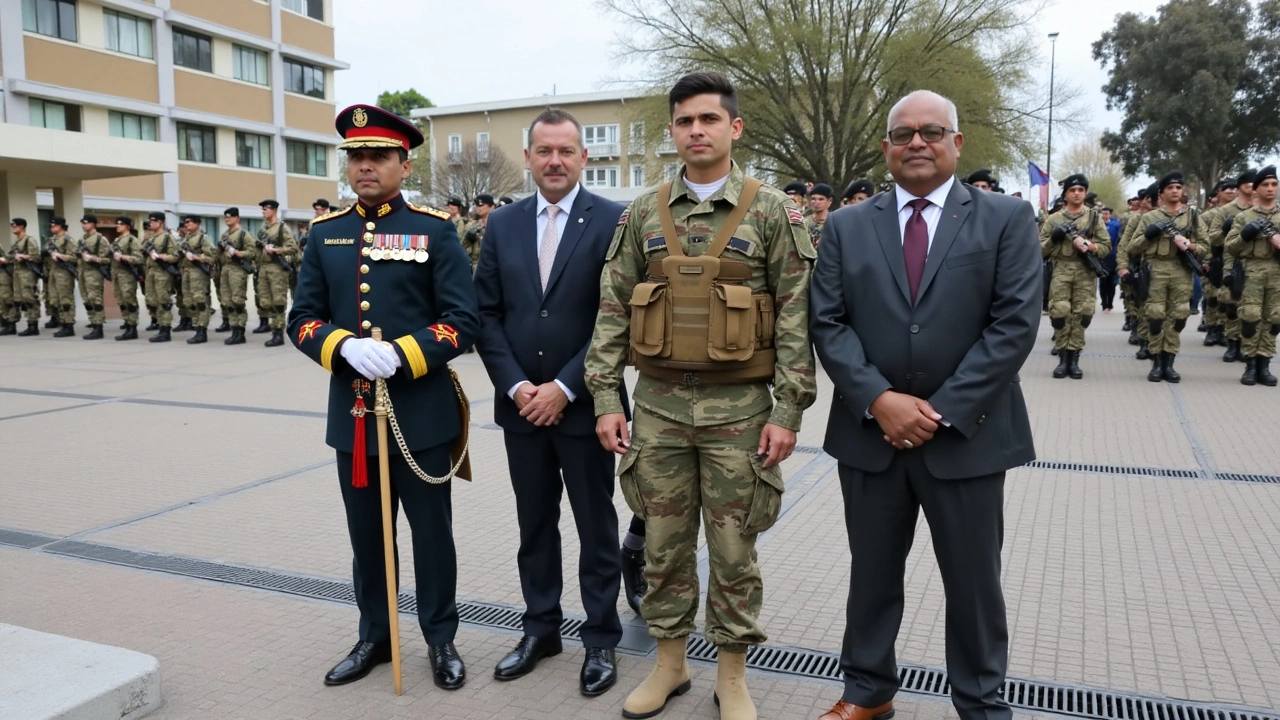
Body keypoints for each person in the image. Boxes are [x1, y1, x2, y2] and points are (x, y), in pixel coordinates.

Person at [586, 72, 816, 720]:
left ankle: (733, 674)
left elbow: (796, 317)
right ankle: (670, 665)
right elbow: (611, 312)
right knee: (661, 547)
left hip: (740, 415)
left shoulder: (773, 210)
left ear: (734, 127)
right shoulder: (642, 213)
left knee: (736, 551)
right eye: (685, 121)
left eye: (708, 119)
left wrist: (788, 411)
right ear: (673, 131)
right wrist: (607, 398)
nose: (696, 131)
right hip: (658, 409)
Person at [809, 90, 1040, 720]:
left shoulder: (1004, 219)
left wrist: (935, 412)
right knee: (872, 576)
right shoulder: (846, 226)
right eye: (903, 133)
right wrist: (880, 400)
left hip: (968, 437)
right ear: (885, 147)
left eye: (932, 131)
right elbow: (827, 324)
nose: (917, 142)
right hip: (870, 437)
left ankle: (980, 701)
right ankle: (868, 693)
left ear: (956, 144)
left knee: (973, 585)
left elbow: (1015, 325)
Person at [288, 104, 478, 692]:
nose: (365, 167)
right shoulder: (324, 234)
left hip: (419, 414)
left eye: (378, 156)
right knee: (367, 536)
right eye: (356, 157)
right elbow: (301, 320)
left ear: (404, 162)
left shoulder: (433, 229)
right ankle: (373, 634)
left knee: (431, 535)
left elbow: (461, 321)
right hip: (353, 417)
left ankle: (440, 637)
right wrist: (341, 345)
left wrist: (403, 353)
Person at [474, 107, 626, 697]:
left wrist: (564, 387)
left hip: (589, 408)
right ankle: (540, 629)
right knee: (534, 525)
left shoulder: (614, 221)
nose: (555, 161)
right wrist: (517, 387)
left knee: (596, 527)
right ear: (530, 156)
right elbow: (487, 315)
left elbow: (619, 319)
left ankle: (601, 639)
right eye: (544, 151)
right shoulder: (504, 225)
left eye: (566, 151)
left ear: (584, 157)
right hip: (520, 409)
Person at [1127, 172, 1208, 382]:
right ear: (1161, 193)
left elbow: (1206, 247)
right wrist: (1148, 234)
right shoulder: (1149, 217)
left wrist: (1189, 245)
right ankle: (1156, 361)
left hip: (1181, 270)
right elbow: (1133, 247)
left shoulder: (1192, 216)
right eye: (1170, 188)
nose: (1174, 191)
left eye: (1178, 188)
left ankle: (1169, 362)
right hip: (1155, 269)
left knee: (1178, 315)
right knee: (1155, 315)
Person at [1040, 174, 1110, 379]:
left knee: (1082, 314)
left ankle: (1074, 358)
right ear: (1066, 194)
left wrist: (1089, 245)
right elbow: (1039, 250)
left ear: (1085, 193)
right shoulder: (1054, 219)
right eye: (1073, 190)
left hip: (1085, 271)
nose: (1077, 193)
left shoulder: (1094, 218)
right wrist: (1054, 238)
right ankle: (1062, 358)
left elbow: (1106, 246)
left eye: (1081, 190)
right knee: (1060, 312)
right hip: (1061, 269)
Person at [1223, 165, 1280, 386]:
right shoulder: (1244, 217)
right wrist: (1246, 234)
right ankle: (1250, 365)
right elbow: (1230, 247)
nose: (1270, 188)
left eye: (1274, 184)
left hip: (1276, 272)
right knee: (1250, 317)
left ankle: (1264, 364)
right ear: (1255, 190)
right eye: (1265, 184)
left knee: (1274, 319)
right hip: (1251, 272)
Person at [1215, 169, 1256, 362]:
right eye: (1249, 184)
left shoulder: (1265, 209)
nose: (1253, 187)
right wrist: (1225, 229)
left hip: (1260, 264)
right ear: (1241, 187)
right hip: (1232, 261)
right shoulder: (1226, 211)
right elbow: (1212, 237)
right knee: (1232, 305)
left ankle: (1251, 348)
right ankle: (1233, 344)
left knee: (1254, 309)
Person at [257, 199, 299, 347]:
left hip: (277, 268)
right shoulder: (263, 229)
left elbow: (292, 247)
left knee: (278, 301)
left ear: (274, 210)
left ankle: (278, 333)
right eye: (262, 209)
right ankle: (273, 326)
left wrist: (276, 250)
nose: (263, 212)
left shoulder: (282, 228)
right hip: (264, 268)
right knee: (265, 302)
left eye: (266, 209)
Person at [218, 208, 256, 346]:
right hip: (226, 270)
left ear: (237, 218)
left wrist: (239, 253)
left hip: (237, 270)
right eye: (225, 217)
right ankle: (234, 329)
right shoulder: (225, 235)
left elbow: (253, 252)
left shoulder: (243, 234)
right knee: (227, 301)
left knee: (237, 300)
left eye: (230, 217)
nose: (227, 219)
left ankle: (240, 331)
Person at [177, 215, 217, 344]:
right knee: (189, 302)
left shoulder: (203, 238)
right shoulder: (186, 239)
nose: (186, 224)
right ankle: (196, 325)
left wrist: (196, 257)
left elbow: (212, 257)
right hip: (187, 273)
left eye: (189, 222)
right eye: (185, 222)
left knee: (200, 301)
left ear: (197, 224)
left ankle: (202, 330)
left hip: (198, 273)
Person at [141, 212, 179, 342]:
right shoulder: (151, 239)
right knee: (152, 301)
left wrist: (162, 257)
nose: (151, 223)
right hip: (150, 272)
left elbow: (175, 256)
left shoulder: (167, 238)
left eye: (154, 220)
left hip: (162, 272)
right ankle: (159, 325)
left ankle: (165, 330)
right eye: (150, 220)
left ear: (161, 222)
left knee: (164, 302)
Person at [110, 217, 145, 341]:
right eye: (117, 223)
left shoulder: (132, 240)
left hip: (127, 275)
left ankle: (133, 327)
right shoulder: (117, 240)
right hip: (116, 274)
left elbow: (139, 259)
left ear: (128, 226)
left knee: (129, 301)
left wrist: (124, 257)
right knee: (121, 301)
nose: (118, 226)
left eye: (121, 224)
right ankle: (127, 324)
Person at [45, 217, 80, 338]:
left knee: (65, 299)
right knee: (55, 299)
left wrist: (61, 256)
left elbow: (76, 257)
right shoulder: (52, 240)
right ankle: (62, 322)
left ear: (61, 226)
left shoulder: (68, 240)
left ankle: (69, 325)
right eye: (51, 225)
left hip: (64, 273)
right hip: (54, 272)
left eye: (54, 225)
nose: (52, 227)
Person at [9, 219, 42, 336]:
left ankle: (33, 325)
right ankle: (29, 323)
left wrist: (23, 256)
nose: (13, 227)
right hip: (18, 274)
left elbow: (37, 257)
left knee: (30, 299)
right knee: (21, 299)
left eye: (15, 225)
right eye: (11, 225)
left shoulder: (29, 240)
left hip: (28, 274)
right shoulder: (17, 242)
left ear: (22, 226)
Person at [462, 195, 494, 273]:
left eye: (481, 205)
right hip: (476, 267)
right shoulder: (472, 226)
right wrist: (468, 239)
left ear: (491, 206)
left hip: (494, 266)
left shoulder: (499, 224)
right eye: (476, 205)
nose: (477, 208)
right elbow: (462, 247)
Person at [1100, 207, 1121, 313]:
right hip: (1101, 257)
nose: (1105, 215)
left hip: (1113, 257)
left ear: (1110, 215)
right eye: (1103, 213)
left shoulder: (1116, 226)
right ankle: (1104, 303)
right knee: (1103, 282)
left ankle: (1110, 303)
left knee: (1112, 283)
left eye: (1107, 214)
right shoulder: (1097, 225)